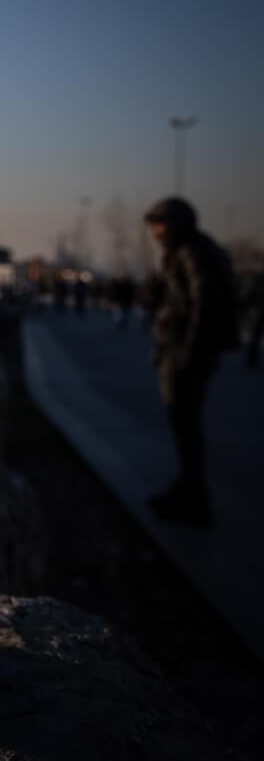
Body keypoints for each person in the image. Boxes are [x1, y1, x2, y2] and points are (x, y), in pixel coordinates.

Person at [144, 197, 240, 526]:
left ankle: (194, 496)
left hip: (187, 352)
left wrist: (188, 352)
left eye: (160, 224)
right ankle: (187, 487)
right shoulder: (191, 251)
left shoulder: (192, 252)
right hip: (183, 349)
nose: (156, 232)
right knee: (183, 424)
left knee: (185, 424)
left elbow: (204, 306)